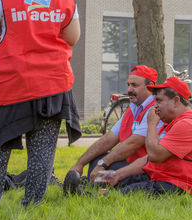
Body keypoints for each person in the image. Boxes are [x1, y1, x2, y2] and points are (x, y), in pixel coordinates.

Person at [0, 0, 81, 208]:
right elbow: (72, 38)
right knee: (42, 148)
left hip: (12, 81)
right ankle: (32, 205)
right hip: (53, 83)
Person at [103, 77, 192, 195]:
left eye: (159, 101)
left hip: (182, 186)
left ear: (176, 101)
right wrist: (118, 175)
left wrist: (151, 124)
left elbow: (155, 155)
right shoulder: (179, 122)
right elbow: (148, 159)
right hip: (170, 180)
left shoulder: (187, 124)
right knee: (117, 178)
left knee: (121, 193)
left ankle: (99, 195)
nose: (155, 107)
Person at [63, 65, 161, 194]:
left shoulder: (154, 109)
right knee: (96, 158)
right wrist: (79, 164)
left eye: (134, 85)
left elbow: (133, 144)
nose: (129, 89)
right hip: (131, 163)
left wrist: (102, 164)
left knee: (107, 166)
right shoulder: (134, 107)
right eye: (128, 84)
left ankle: (91, 189)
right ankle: (91, 184)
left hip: (145, 168)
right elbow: (109, 138)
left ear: (150, 86)